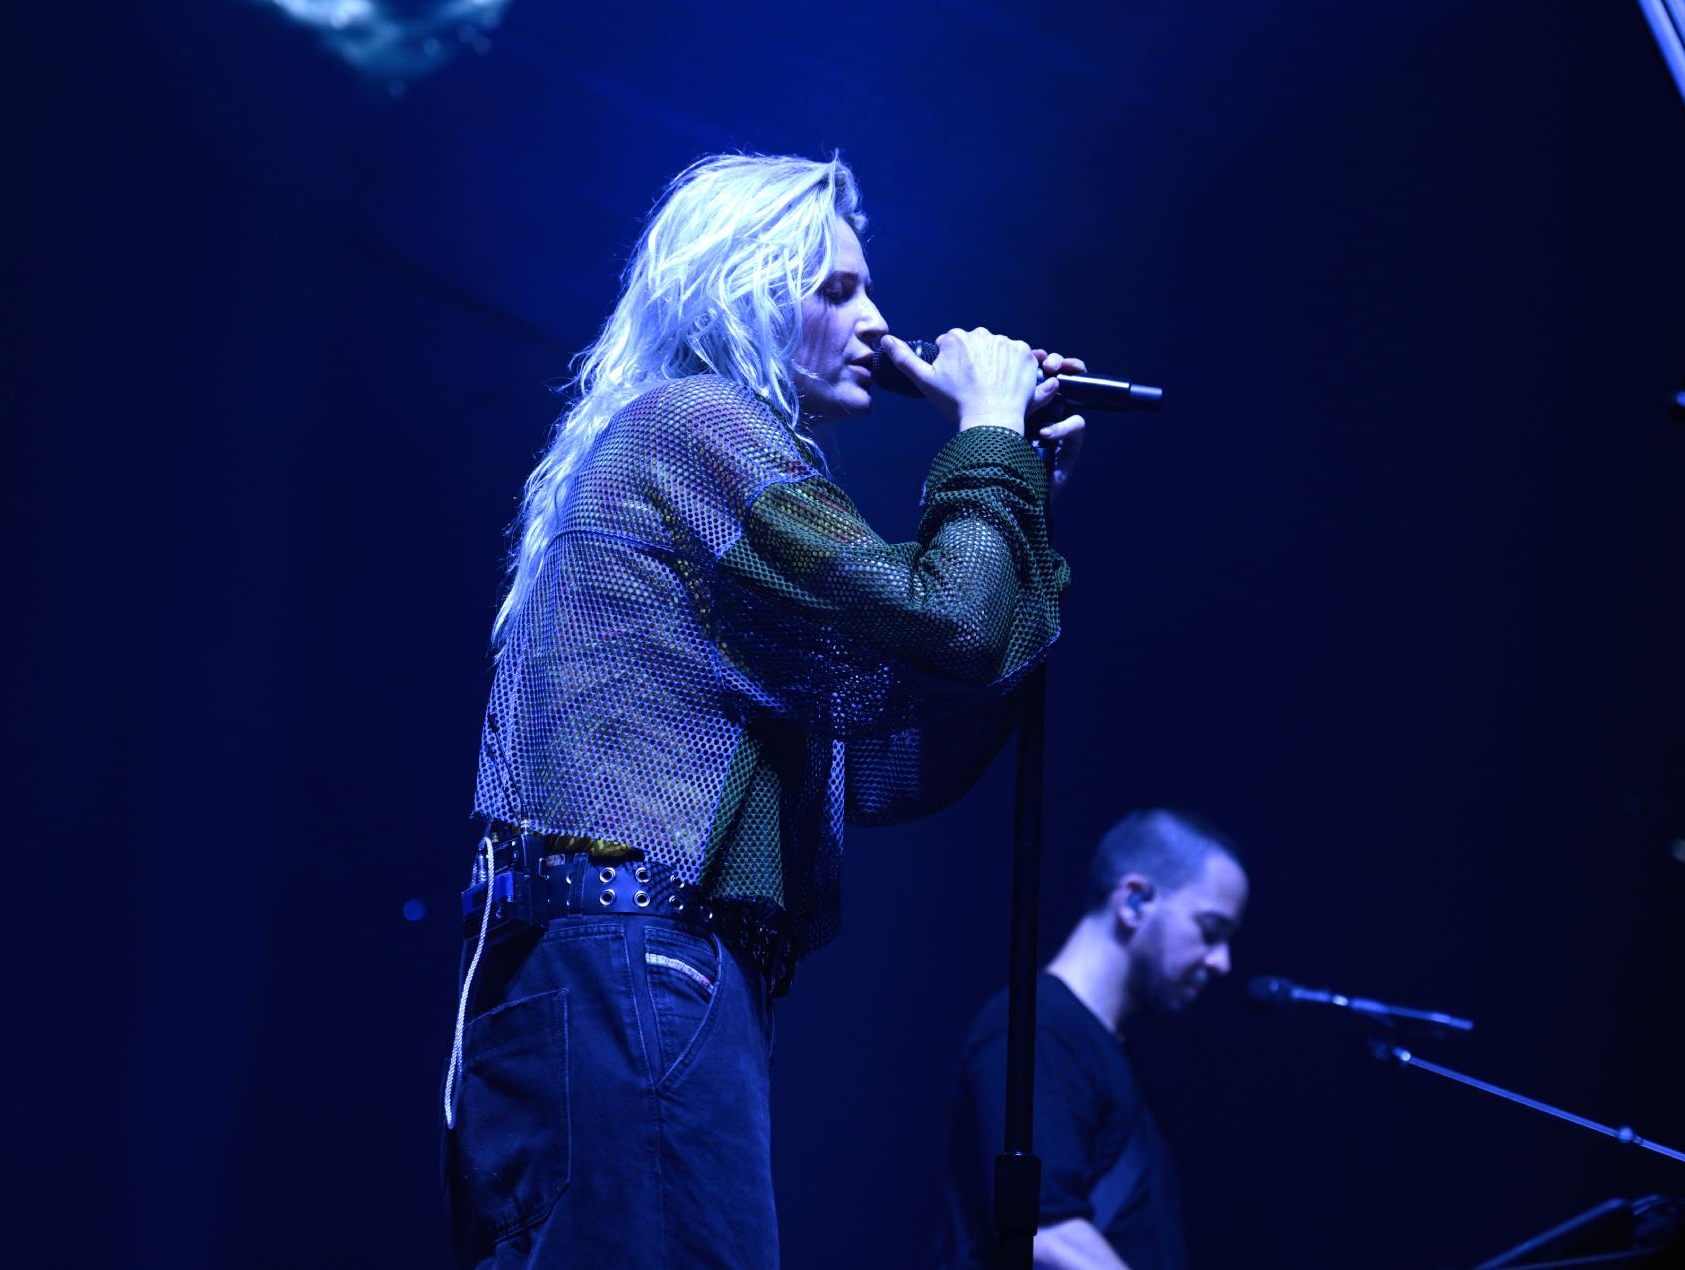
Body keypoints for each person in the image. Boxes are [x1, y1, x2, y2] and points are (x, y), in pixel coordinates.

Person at [440, 152, 1085, 1269]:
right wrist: (982, 440)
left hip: (610, 972)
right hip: (639, 963)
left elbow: (893, 753)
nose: (879, 324)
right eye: (836, 290)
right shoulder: (701, 424)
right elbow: (951, 625)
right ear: (739, 289)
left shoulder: (665, 447)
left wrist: (1014, 495)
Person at [941, 809, 1252, 1270]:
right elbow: (1044, 1233)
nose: (1222, 962)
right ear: (1134, 902)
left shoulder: (1095, 1047)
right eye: (1209, 931)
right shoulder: (1039, 1030)